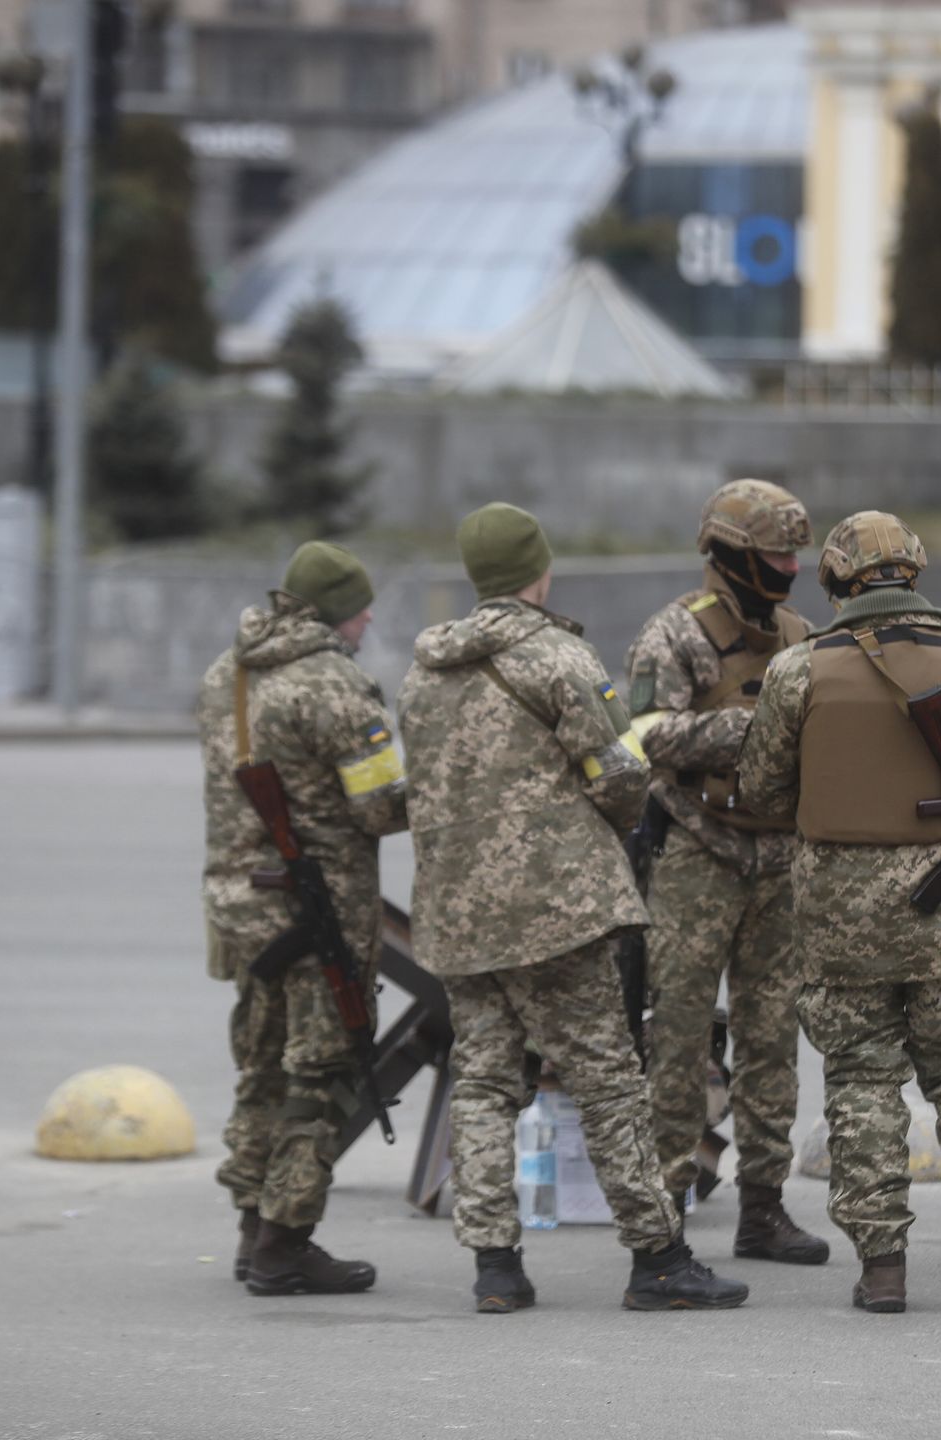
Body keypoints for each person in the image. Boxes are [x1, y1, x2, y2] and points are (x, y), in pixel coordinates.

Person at [395, 502, 749, 1314]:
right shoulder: (560, 658)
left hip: (459, 913)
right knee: (608, 1081)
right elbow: (622, 773)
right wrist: (605, 829)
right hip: (558, 909)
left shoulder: (423, 673)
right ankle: (657, 1257)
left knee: (481, 1082)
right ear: (538, 570)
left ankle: (495, 1266)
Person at [736, 510, 941, 1316]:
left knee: (860, 1083)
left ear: (837, 581)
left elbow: (763, 791)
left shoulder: (795, 672)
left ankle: (882, 1270)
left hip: (839, 922)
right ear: (914, 572)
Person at [622, 479, 830, 1266]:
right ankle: (664, 1214)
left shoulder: (798, 633)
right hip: (696, 859)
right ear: (732, 555)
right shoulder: (671, 635)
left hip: (778, 864)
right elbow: (643, 735)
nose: (790, 568)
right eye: (777, 554)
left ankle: (763, 1208)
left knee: (772, 1039)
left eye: (794, 554)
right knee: (675, 1039)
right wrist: (750, 727)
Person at [196, 541, 408, 1296]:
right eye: (359, 606)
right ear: (330, 614)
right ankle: (285, 1245)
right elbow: (380, 809)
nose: (369, 617)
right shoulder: (336, 686)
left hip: (242, 910)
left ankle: (253, 1230)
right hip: (317, 916)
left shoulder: (229, 674)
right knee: (320, 1075)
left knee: (259, 1067)